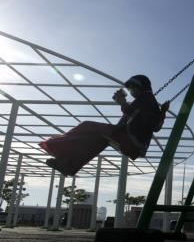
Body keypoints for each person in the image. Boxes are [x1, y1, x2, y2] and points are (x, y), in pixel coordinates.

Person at [39, 75, 169, 176]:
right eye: (129, 89)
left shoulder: (147, 99)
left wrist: (123, 103)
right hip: (133, 142)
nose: (131, 92)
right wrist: (162, 112)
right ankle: (69, 165)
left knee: (87, 125)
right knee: (97, 140)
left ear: (140, 87)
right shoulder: (146, 100)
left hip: (131, 139)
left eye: (132, 88)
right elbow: (156, 125)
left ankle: (58, 146)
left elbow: (149, 124)